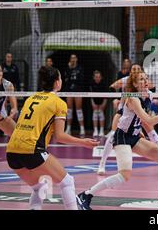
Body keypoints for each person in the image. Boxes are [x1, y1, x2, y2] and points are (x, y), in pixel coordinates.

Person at [78, 71, 158, 210]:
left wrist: (138, 128)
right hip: (122, 136)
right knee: (125, 175)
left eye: (146, 78)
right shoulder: (133, 98)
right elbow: (150, 120)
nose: (145, 80)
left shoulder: (149, 95)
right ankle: (86, 194)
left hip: (134, 136)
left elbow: (141, 118)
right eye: (141, 79)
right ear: (134, 84)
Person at [6, 66, 99, 210]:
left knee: (40, 186)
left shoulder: (30, 98)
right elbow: (60, 136)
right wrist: (83, 142)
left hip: (11, 152)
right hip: (32, 149)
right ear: (57, 83)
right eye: (60, 78)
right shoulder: (58, 103)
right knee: (67, 181)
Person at [97, 71, 158, 175]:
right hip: (124, 113)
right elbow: (112, 88)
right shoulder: (127, 84)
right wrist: (115, 99)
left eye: (138, 68)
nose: (136, 69)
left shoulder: (149, 92)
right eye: (134, 68)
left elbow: (146, 107)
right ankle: (102, 164)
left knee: (151, 131)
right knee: (113, 135)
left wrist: (138, 127)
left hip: (139, 115)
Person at [63, 54, 85, 136]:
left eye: (74, 58)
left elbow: (81, 80)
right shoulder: (67, 68)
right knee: (69, 110)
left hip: (78, 91)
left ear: (76, 59)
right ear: (70, 59)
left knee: (79, 109)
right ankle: (68, 128)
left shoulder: (80, 68)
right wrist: (69, 69)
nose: (73, 59)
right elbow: (66, 80)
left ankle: (82, 128)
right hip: (69, 91)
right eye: (71, 58)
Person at [89, 70, 107, 137]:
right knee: (95, 113)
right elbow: (90, 95)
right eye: (96, 77)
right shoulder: (91, 84)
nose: (97, 78)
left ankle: (101, 130)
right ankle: (95, 130)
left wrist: (104, 104)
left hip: (102, 101)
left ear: (101, 77)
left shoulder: (104, 84)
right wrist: (93, 103)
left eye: (99, 77)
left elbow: (106, 95)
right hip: (94, 100)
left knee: (101, 113)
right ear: (94, 77)